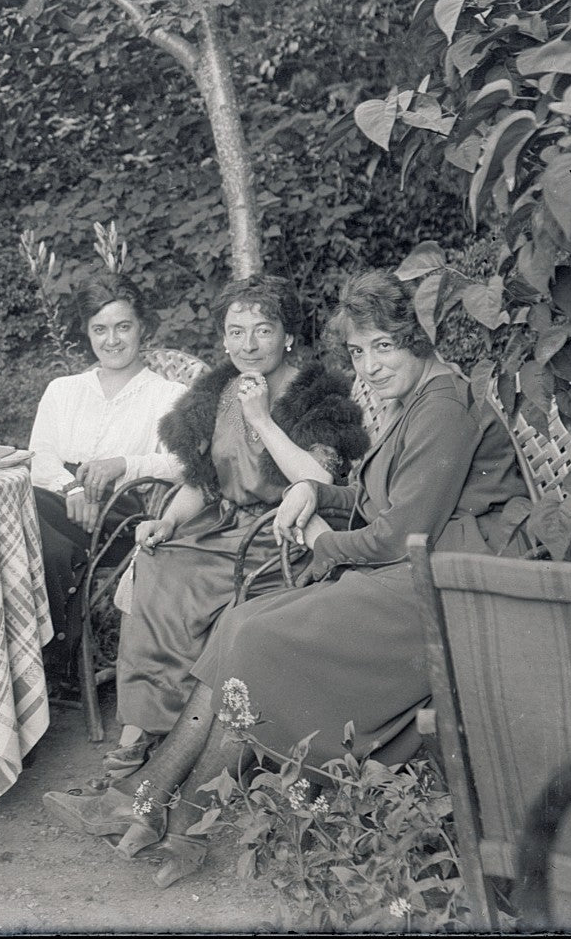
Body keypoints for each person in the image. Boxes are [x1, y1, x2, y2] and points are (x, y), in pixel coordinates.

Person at [42, 270, 527, 887]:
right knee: (240, 625)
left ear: (418, 338)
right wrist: (317, 492)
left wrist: (320, 535)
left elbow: (398, 534)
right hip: (411, 571)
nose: (371, 367)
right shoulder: (420, 400)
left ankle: (186, 819)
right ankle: (144, 800)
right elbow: (382, 502)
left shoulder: (444, 407)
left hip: (446, 589)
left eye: (384, 346)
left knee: (255, 637)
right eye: (358, 351)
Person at [102, 275, 369, 775]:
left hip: (279, 536)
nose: (248, 344)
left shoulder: (317, 392)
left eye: (263, 330)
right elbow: (200, 482)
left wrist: (263, 418)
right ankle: (144, 727)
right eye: (236, 331)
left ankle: (194, 737)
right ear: (223, 338)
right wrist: (166, 519)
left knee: (198, 586)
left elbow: (319, 481)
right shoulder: (215, 391)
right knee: (158, 567)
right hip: (217, 528)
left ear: (288, 335)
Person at [27, 271, 189, 694]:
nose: (112, 340)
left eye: (123, 327)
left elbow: (181, 464)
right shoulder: (63, 390)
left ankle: (42, 660)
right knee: (25, 511)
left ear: (142, 328)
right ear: (87, 333)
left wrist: (122, 463)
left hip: (120, 517)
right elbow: (39, 454)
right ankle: (57, 651)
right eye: (100, 329)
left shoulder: (166, 395)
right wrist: (72, 489)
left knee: (23, 524)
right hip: (59, 502)